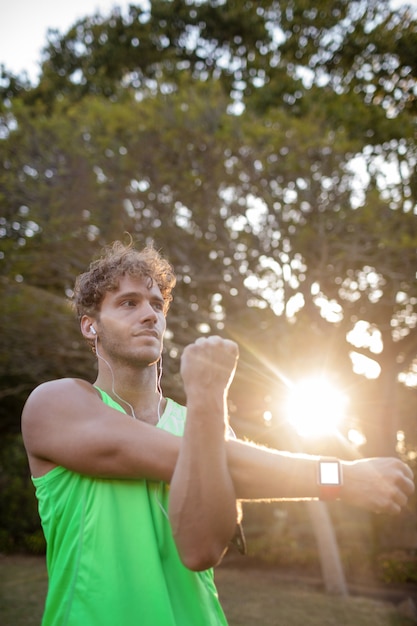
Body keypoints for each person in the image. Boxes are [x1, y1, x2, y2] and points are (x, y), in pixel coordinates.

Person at [21, 240, 414, 626]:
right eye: (128, 303)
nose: (150, 315)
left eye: (157, 305)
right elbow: (186, 457)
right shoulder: (55, 404)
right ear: (90, 326)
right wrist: (340, 476)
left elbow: (201, 550)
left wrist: (209, 396)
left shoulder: (203, 422)